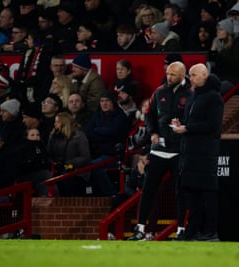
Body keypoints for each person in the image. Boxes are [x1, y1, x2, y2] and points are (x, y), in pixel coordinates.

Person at [128, 61, 192, 241]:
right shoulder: (159, 91)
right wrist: (153, 132)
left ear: (182, 75)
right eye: (168, 73)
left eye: (173, 74)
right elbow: (149, 116)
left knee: (181, 191)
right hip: (159, 149)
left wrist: (184, 127)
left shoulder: (190, 94)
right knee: (148, 189)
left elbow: (193, 120)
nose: (169, 77)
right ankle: (140, 229)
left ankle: (181, 230)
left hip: (179, 151)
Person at [171, 63, 224, 241]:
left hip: (205, 153)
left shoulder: (214, 98)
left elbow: (213, 125)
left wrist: (187, 128)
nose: (190, 78)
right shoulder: (194, 97)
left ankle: (210, 231)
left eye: (193, 75)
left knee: (207, 194)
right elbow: (190, 122)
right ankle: (192, 230)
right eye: (190, 75)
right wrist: (182, 125)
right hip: (189, 153)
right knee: (191, 194)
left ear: (204, 75)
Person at [85, 90, 128, 196]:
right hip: (96, 153)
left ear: (113, 102)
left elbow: (113, 131)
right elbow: (88, 132)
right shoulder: (97, 115)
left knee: (93, 166)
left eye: (107, 101)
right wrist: (103, 133)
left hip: (113, 155)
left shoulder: (121, 116)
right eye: (102, 101)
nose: (104, 104)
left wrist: (97, 130)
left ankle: (112, 194)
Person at [47, 112, 91, 196]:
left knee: (68, 183)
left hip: (77, 171)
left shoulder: (79, 136)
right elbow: (49, 154)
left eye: (57, 122)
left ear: (64, 122)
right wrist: (54, 164)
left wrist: (68, 163)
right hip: (57, 170)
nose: (54, 124)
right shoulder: (53, 136)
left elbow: (85, 157)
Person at [17, 128, 51, 196]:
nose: (36, 137)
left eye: (37, 135)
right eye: (32, 135)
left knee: (45, 187)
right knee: (46, 174)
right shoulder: (21, 149)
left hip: (41, 178)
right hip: (26, 176)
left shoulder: (42, 147)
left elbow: (47, 162)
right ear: (26, 137)